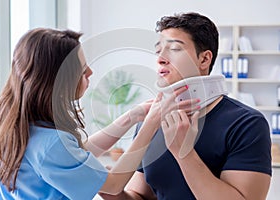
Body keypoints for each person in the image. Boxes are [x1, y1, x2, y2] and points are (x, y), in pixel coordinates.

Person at [0, 28, 200, 200]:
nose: (90, 72)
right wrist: (151, 123)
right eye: (82, 67)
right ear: (57, 80)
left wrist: (130, 117)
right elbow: (114, 185)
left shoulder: (16, 130)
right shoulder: (52, 144)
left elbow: (76, 154)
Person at [100, 12, 272, 200]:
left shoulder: (246, 124)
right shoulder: (150, 122)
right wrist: (111, 192)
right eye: (158, 51)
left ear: (204, 59)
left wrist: (185, 154)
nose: (160, 59)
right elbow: (141, 196)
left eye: (174, 49)